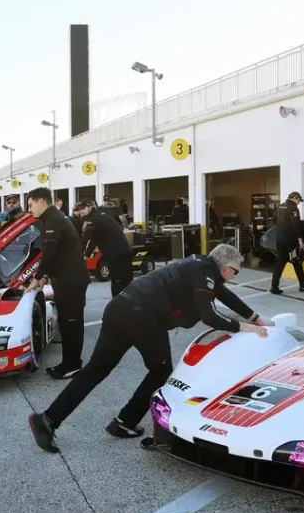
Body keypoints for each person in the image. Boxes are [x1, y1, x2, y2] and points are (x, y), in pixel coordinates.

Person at [28, 244, 272, 453]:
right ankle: (124, 421)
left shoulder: (199, 265)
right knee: (160, 370)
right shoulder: (204, 272)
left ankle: (47, 420)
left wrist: (255, 317)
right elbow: (209, 315)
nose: (234, 275)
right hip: (142, 316)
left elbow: (225, 295)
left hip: (120, 307)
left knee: (95, 370)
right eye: (236, 272)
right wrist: (243, 326)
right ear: (227, 268)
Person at [23, 187, 91, 380]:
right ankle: (69, 362)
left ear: (42, 202)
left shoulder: (53, 219)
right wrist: (45, 278)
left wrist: (38, 277)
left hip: (71, 281)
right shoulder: (52, 217)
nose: (29, 210)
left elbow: (50, 253)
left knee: (71, 324)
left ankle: (72, 366)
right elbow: (58, 253)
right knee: (67, 323)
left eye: (31, 205)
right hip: (67, 279)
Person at [76, 200, 134, 297]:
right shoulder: (99, 216)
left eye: (83, 208)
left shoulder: (93, 218)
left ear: (90, 207)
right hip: (123, 253)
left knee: (119, 284)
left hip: (118, 255)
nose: (81, 212)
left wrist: (78, 254)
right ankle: (126, 306)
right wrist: (86, 255)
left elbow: (85, 238)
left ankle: (119, 308)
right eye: (79, 209)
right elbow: (94, 239)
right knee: (125, 283)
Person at [270, 191, 304, 295]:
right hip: (289, 240)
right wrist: (300, 240)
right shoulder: (293, 208)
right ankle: (301, 285)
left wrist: (282, 229)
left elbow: (274, 219)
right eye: (299, 200)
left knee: (292, 261)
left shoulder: (280, 206)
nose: (299, 202)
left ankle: (301, 284)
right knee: (291, 261)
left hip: (280, 239)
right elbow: (295, 225)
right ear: (295, 198)